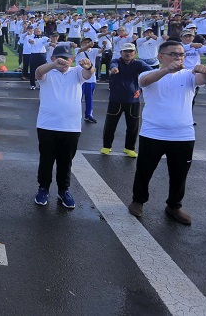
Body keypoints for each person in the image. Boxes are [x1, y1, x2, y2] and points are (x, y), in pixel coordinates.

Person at [128, 40, 206, 225]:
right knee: (144, 170)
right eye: (173, 54)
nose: (178, 57)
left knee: (179, 173)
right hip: (153, 133)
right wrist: (167, 70)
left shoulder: (189, 75)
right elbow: (144, 82)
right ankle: (138, 200)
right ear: (161, 56)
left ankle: (174, 205)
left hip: (183, 134)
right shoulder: (149, 73)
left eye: (181, 54)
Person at [33, 45, 94, 208]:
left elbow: (88, 74)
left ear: (72, 60)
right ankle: (43, 188)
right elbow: (38, 72)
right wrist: (53, 65)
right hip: (47, 125)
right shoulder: (47, 72)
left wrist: (89, 66)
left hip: (71, 126)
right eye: (59, 58)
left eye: (67, 58)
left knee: (65, 161)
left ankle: (63, 190)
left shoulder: (76, 72)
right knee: (46, 159)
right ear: (52, 58)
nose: (63, 61)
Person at [100, 43, 151, 158]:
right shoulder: (116, 62)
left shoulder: (138, 63)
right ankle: (107, 146)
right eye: (125, 51)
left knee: (133, 126)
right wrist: (113, 69)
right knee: (110, 125)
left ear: (135, 53)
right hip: (115, 100)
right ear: (121, 52)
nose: (128, 53)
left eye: (130, 51)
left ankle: (129, 148)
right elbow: (112, 65)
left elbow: (150, 72)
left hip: (133, 101)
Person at [76, 37, 98, 123]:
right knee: (78, 98)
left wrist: (104, 46)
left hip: (91, 79)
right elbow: (81, 49)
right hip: (80, 78)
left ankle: (88, 115)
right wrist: (88, 45)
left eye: (88, 42)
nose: (87, 44)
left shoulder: (94, 51)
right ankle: (75, 114)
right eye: (85, 42)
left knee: (89, 98)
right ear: (81, 43)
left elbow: (101, 50)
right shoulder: (78, 49)